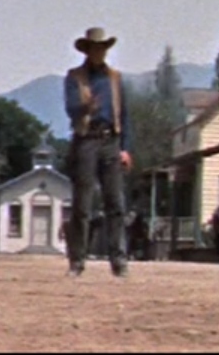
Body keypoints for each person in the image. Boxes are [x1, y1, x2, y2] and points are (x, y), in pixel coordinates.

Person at [63, 26, 133, 278]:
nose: (98, 52)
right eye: (95, 48)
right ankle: (77, 261)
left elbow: (124, 114)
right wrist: (86, 106)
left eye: (102, 48)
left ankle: (119, 261)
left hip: (110, 141)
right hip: (86, 140)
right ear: (87, 50)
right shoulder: (74, 77)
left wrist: (126, 147)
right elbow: (70, 109)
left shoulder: (115, 78)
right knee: (82, 205)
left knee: (116, 203)